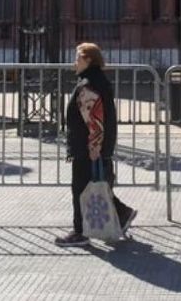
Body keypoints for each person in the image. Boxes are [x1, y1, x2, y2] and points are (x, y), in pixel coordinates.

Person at [55, 42, 137, 247]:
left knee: (81, 188)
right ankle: (123, 213)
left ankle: (80, 232)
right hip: (99, 145)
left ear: (88, 60)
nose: (75, 62)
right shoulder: (98, 81)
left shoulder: (88, 85)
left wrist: (94, 147)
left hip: (88, 147)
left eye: (78, 58)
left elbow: (94, 120)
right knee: (98, 183)